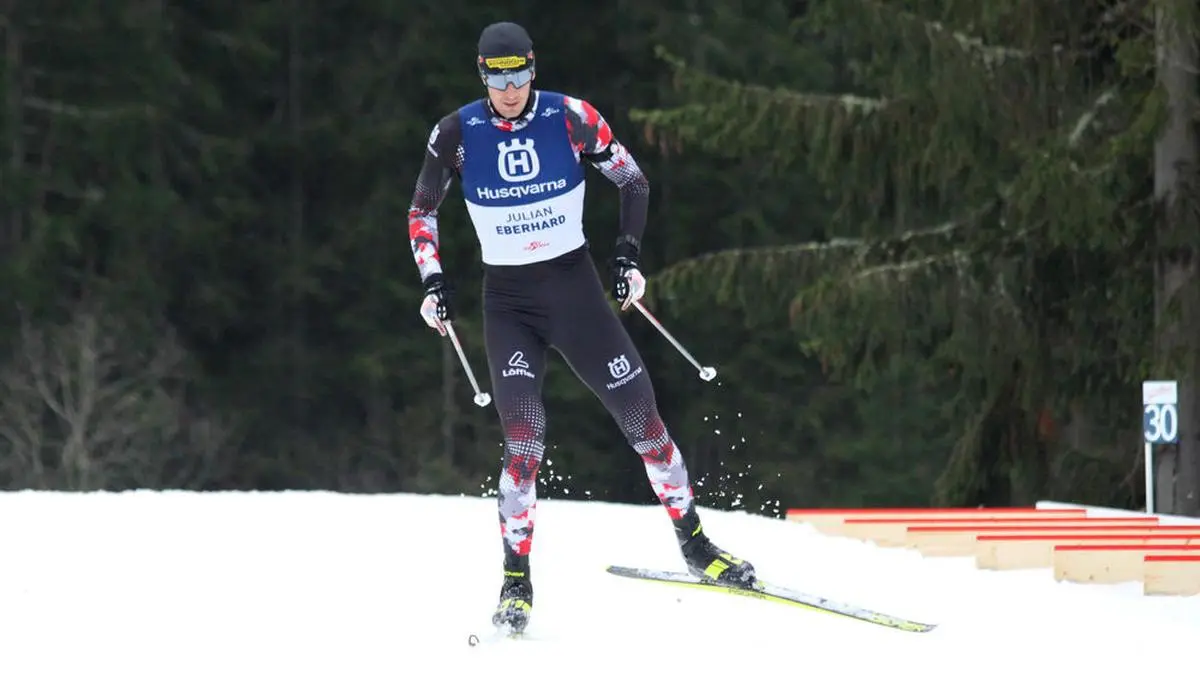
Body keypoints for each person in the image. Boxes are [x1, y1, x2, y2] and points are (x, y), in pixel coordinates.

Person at [406, 21, 756, 634]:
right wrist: (434, 283)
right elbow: (421, 211)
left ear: (533, 70)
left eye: (518, 75)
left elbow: (633, 181)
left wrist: (627, 258)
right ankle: (516, 582)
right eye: (497, 76)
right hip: (508, 305)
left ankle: (697, 546)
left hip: (576, 293)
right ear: (481, 75)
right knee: (525, 441)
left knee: (645, 425)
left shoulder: (571, 118)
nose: (509, 89)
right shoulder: (456, 133)